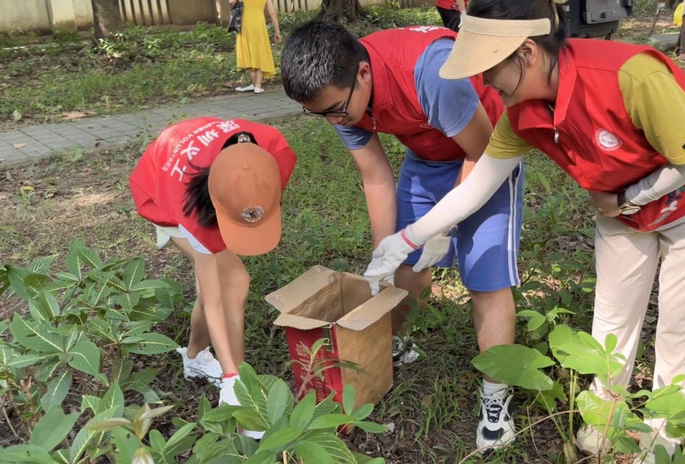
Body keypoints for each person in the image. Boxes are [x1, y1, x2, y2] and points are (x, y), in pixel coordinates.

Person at [363, 0, 685, 462]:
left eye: (489, 70)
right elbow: (479, 184)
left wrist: (627, 198)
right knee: (612, 313)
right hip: (619, 201)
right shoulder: (522, 113)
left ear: (526, 53)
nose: (483, 84)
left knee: (683, 321)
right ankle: (607, 415)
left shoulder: (628, 75)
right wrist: (406, 238)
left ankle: (666, 432)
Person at [279, 21, 524, 451]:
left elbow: (481, 153)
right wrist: (386, 255)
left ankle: (496, 395)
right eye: (320, 114)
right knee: (406, 265)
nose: (333, 121)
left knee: (484, 277)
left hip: (486, 153)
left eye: (336, 110)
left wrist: (441, 226)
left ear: (362, 73)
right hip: (429, 156)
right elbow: (375, 176)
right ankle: (398, 341)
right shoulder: (336, 95)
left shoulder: (431, 71)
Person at [129, 117, 296, 437]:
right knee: (229, 283)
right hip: (161, 190)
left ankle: (194, 357)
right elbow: (215, 300)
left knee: (228, 282)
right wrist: (233, 377)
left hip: (207, 167)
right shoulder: (190, 205)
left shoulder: (269, 150)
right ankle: (240, 387)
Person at [231, 0, 281, 94]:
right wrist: (277, 31)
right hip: (259, 23)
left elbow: (231, 2)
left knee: (247, 50)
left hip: (245, 23)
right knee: (259, 50)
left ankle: (256, 84)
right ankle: (257, 85)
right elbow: (272, 12)